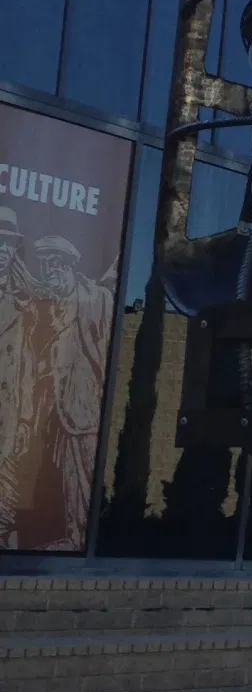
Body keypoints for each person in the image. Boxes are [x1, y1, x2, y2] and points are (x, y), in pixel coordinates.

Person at [33, 234, 116, 550]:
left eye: (53, 268)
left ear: (65, 266)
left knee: (82, 477)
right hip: (57, 411)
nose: (49, 276)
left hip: (83, 411)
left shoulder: (94, 299)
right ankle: (71, 534)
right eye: (45, 270)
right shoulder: (54, 304)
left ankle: (80, 537)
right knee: (66, 476)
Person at [0, 207, 38, 548]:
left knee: (4, 505)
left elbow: (26, 369)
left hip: (6, 420)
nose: (2, 250)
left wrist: (25, 419)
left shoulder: (19, 306)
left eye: (8, 245)